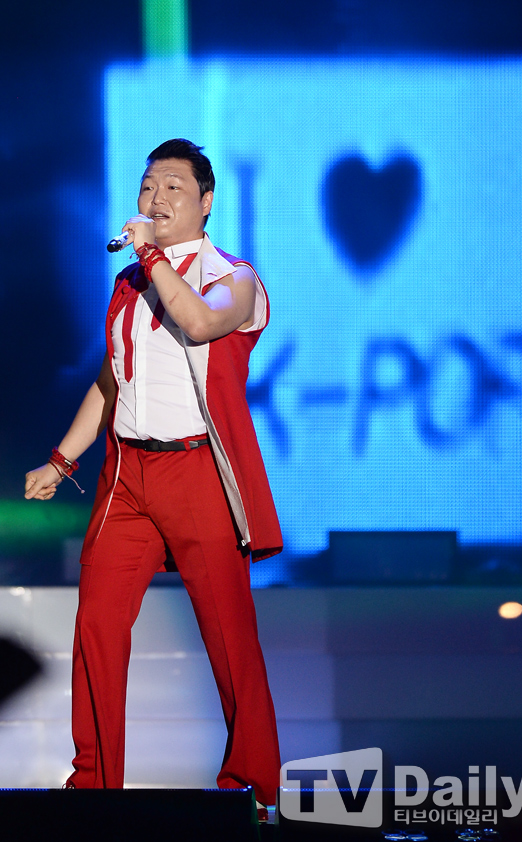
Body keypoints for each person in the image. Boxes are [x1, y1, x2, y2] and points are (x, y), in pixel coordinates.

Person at [24, 139, 282, 817]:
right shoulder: (130, 284)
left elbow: (198, 323)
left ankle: (252, 786)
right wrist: (61, 460)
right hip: (129, 475)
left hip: (197, 471)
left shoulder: (235, 279)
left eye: (173, 186)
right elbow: (111, 381)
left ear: (206, 201)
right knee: (98, 625)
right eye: (147, 186)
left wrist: (152, 257)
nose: (156, 198)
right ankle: (93, 787)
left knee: (228, 635)